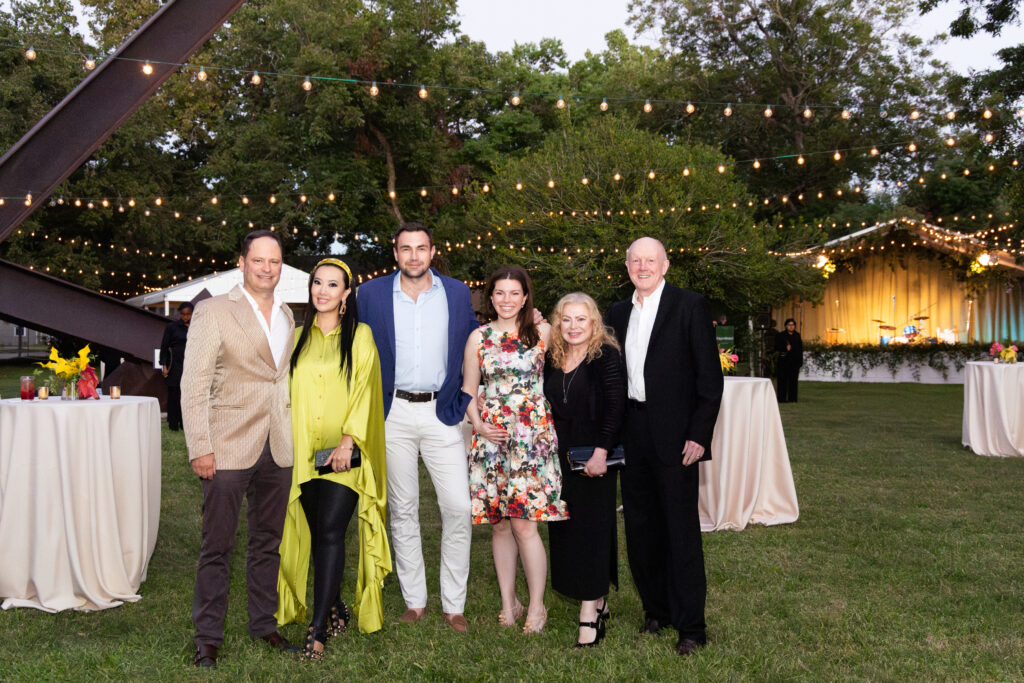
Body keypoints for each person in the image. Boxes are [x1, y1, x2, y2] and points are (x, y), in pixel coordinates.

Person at [181, 230, 298, 669]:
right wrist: (200, 447)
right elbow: (193, 386)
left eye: (274, 261)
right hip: (226, 446)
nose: (266, 268)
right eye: (258, 260)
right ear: (242, 263)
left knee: (267, 543)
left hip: (278, 446)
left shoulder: (288, 315)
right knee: (217, 545)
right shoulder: (213, 311)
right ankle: (207, 638)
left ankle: (263, 624)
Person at [605, 236, 723, 657]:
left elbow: (710, 380)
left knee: (680, 531)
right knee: (640, 529)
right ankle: (656, 611)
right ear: (626, 266)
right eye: (635, 260)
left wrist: (699, 434)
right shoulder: (617, 312)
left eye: (650, 260)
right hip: (632, 431)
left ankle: (691, 626)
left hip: (676, 436)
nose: (642, 266)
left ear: (665, 264)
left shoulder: (689, 305)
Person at [357, 222, 478, 633]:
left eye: (420, 248)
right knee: (403, 509)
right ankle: (415, 600)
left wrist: (464, 398)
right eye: (405, 249)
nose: (413, 256)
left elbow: (471, 346)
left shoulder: (457, 292)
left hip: (442, 412)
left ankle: (454, 604)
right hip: (392, 414)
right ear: (395, 253)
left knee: (459, 508)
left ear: (432, 252)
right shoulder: (369, 294)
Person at [276, 258, 392, 659]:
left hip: (343, 453)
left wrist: (348, 441)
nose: (322, 291)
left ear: (346, 293)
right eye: (317, 284)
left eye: (332, 285)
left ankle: (318, 629)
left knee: (329, 531)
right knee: (318, 530)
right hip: (304, 451)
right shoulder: (294, 338)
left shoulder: (360, 336)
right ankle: (338, 605)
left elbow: (364, 389)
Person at [462, 265, 568, 634]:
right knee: (500, 526)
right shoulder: (478, 337)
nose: (506, 300)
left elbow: (569, 373)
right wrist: (478, 425)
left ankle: (537, 607)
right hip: (491, 440)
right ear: (490, 297)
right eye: (500, 293)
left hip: (531, 440)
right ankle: (509, 603)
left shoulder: (543, 333)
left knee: (525, 525)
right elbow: (468, 390)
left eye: (514, 293)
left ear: (526, 297)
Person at [543, 292, 625, 648]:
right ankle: (596, 596)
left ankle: (589, 616)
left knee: (592, 532)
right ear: (558, 323)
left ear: (594, 322)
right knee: (566, 532)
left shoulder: (605, 356)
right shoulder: (553, 356)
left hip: (594, 458)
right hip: (558, 457)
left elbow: (615, 408)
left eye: (581, 319)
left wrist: (601, 452)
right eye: (566, 319)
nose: (574, 326)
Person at [160, 301, 193, 431]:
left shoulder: (196, 326)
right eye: (183, 314)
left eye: (188, 314)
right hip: (174, 365)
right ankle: (173, 424)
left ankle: (185, 424)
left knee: (188, 395)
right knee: (174, 395)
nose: (185, 317)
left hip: (190, 365)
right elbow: (164, 346)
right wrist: (163, 365)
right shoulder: (172, 327)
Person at [775, 318, 803, 403]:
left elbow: (800, 349)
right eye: (789, 325)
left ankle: (793, 399)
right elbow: (776, 347)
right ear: (786, 326)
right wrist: (785, 348)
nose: (791, 327)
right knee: (782, 381)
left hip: (794, 362)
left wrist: (800, 361)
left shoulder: (797, 335)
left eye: (793, 325)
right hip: (784, 362)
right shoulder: (781, 335)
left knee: (793, 381)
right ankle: (781, 399)